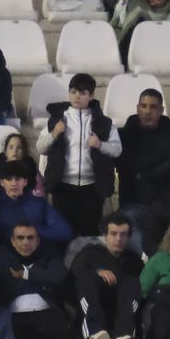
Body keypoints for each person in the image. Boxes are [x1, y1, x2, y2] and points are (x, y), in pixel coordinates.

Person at [37, 73, 123, 238]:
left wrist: (100, 145)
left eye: (82, 93)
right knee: (63, 233)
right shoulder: (57, 120)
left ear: (90, 96)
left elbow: (117, 149)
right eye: (74, 91)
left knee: (88, 233)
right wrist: (54, 134)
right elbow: (41, 147)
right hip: (63, 186)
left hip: (92, 187)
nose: (77, 96)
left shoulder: (103, 122)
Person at [116, 90, 170, 245]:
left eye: (153, 107)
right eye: (144, 106)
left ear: (161, 110)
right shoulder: (123, 135)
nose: (148, 111)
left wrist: (143, 173)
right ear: (137, 108)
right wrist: (154, 168)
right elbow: (124, 165)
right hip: (132, 203)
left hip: (166, 205)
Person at [0, 222, 77, 339]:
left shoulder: (49, 253)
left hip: (47, 314)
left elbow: (59, 275)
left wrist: (27, 275)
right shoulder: (2, 257)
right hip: (14, 317)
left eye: (30, 238)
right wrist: (40, 278)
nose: (26, 242)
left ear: (37, 240)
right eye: (20, 238)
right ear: (13, 241)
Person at [72, 213, 144, 339]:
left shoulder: (134, 261)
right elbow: (75, 278)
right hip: (95, 309)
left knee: (131, 281)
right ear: (105, 235)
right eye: (114, 234)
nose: (118, 239)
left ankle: (124, 335)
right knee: (88, 277)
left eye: (123, 234)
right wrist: (98, 272)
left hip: (123, 314)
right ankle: (95, 333)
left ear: (129, 237)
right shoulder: (89, 253)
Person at [0, 161, 74, 255]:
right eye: (9, 179)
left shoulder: (39, 203)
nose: (14, 183)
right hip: (8, 259)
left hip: (40, 257)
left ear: (25, 181)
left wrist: (34, 233)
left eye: (17, 179)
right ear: (2, 182)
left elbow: (64, 231)